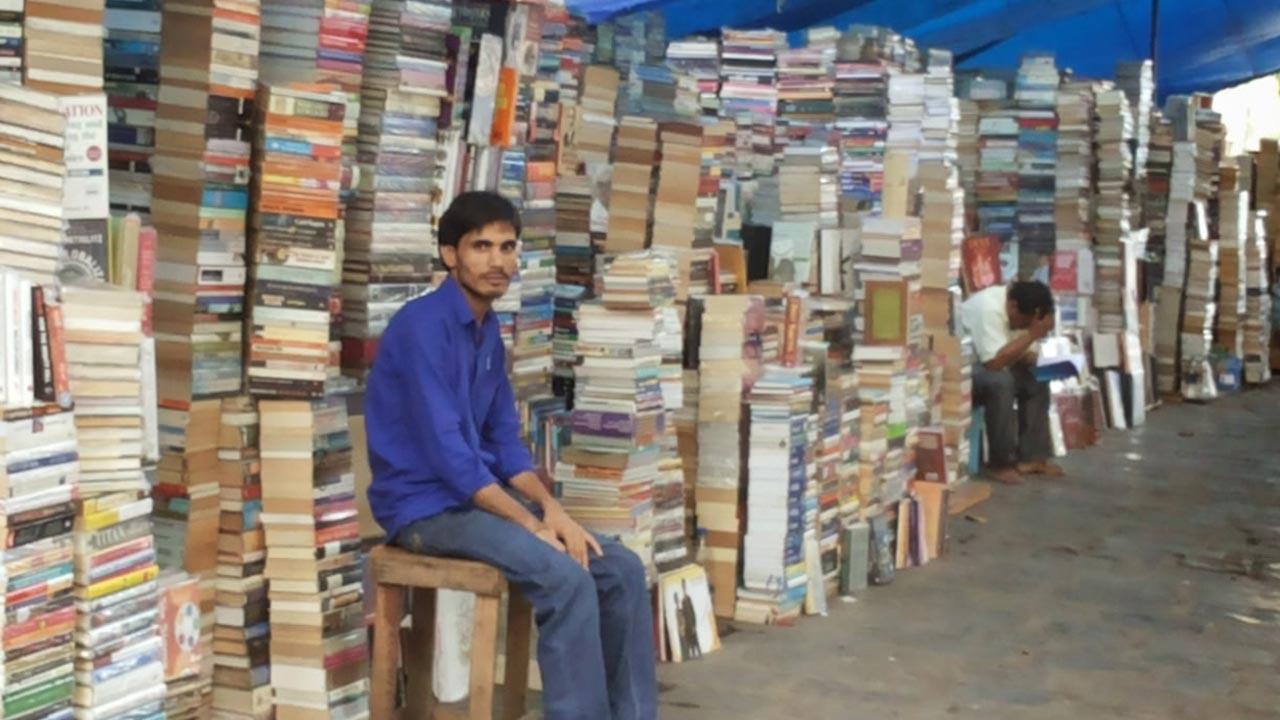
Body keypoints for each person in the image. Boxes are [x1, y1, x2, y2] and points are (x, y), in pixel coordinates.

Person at [364, 191, 657, 720]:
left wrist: (556, 513)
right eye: (481, 246)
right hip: (423, 509)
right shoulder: (420, 327)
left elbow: (503, 442)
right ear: (451, 255)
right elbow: (451, 456)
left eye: (507, 246)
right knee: (564, 578)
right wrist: (530, 524)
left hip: (475, 501)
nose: (498, 260)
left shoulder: (487, 334)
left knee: (620, 568)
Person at [960, 280, 1064, 485]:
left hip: (991, 367)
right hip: (964, 372)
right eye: (1022, 323)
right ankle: (1000, 463)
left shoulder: (1022, 309)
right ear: (1013, 306)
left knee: (1037, 377)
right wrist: (1032, 334)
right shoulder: (988, 308)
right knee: (1001, 382)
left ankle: (1032, 457)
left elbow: (1025, 355)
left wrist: (1055, 364)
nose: (1022, 328)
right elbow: (993, 363)